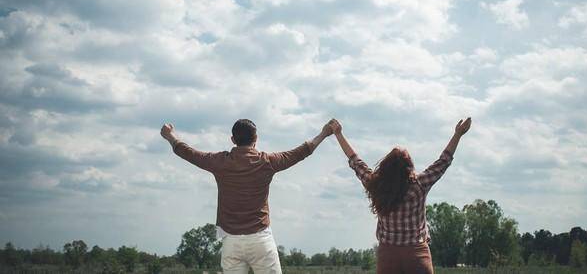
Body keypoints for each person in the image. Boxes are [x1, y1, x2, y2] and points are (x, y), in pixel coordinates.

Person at [160, 118, 340, 274]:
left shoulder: (219, 162)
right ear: (256, 139)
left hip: (230, 240)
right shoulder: (267, 162)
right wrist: (324, 133)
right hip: (260, 239)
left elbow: (188, 152)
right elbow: (302, 151)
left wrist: (170, 135)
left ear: (232, 140)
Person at [332, 117, 472, 274]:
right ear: (409, 167)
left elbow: (355, 161)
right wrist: (458, 134)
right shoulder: (419, 184)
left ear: (385, 167)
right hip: (417, 255)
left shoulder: (376, 185)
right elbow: (443, 161)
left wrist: (338, 134)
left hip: (388, 257)